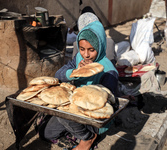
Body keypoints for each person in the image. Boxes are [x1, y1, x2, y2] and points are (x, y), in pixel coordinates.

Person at [39, 20, 119, 150]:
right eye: (82, 49)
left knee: (63, 113)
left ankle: (88, 138)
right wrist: (75, 72)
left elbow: (107, 107)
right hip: (75, 108)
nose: (86, 55)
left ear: (100, 47)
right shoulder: (78, 59)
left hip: (94, 117)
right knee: (46, 133)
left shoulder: (109, 71)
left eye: (91, 50)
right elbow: (58, 75)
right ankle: (77, 130)